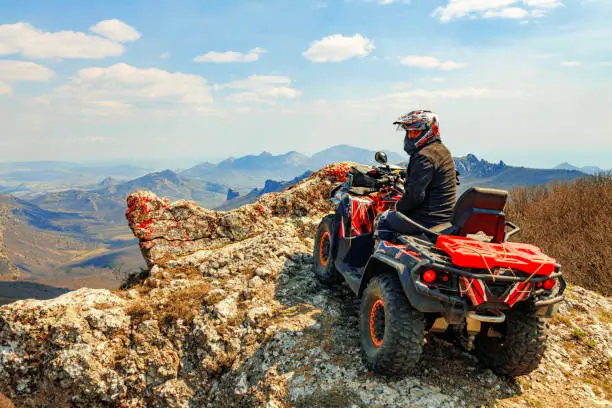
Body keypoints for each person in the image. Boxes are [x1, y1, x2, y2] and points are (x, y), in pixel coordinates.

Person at [378, 110, 457, 237]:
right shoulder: (442, 150)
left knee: (383, 219)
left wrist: (397, 208)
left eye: (416, 132)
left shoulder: (424, 157)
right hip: (444, 218)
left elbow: (414, 197)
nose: (411, 136)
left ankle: (376, 256)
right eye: (409, 132)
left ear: (430, 131)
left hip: (427, 220)